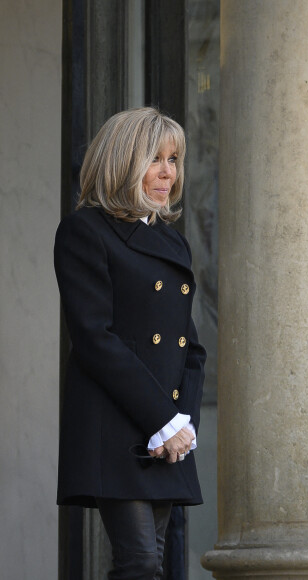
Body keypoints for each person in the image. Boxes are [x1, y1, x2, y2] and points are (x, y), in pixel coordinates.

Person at [54, 107, 206, 579]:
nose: (168, 172)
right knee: (139, 560)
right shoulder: (85, 232)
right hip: (117, 424)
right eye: (154, 159)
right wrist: (162, 419)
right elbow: (94, 338)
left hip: (165, 428)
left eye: (174, 159)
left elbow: (190, 349)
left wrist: (183, 424)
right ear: (121, 163)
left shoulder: (172, 242)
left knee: (153, 559)